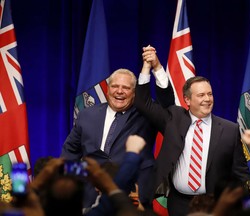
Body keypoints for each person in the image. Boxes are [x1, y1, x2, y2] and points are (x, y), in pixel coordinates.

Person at [134, 45, 250, 216]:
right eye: (201, 95)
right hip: (179, 203)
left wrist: (247, 199)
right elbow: (143, 103)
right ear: (187, 100)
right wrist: (149, 67)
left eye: (209, 94)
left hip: (214, 205)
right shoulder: (174, 119)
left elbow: (241, 171)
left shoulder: (230, 130)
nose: (207, 99)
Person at [61, 67, 174, 209]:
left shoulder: (146, 114)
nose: (119, 91)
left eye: (126, 88)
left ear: (134, 93)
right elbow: (70, 153)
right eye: (115, 86)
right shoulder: (87, 115)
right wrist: (83, 178)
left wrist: (157, 68)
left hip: (134, 197)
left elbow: (167, 105)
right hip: (91, 197)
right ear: (107, 89)